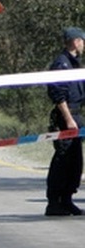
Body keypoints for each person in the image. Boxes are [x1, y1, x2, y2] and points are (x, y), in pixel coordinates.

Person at [45, 27, 85, 216]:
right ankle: (54, 202)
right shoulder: (61, 64)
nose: (83, 45)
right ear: (75, 41)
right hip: (67, 117)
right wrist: (68, 119)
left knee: (75, 160)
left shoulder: (74, 64)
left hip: (77, 114)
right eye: (82, 41)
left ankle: (67, 199)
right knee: (63, 159)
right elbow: (58, 95)